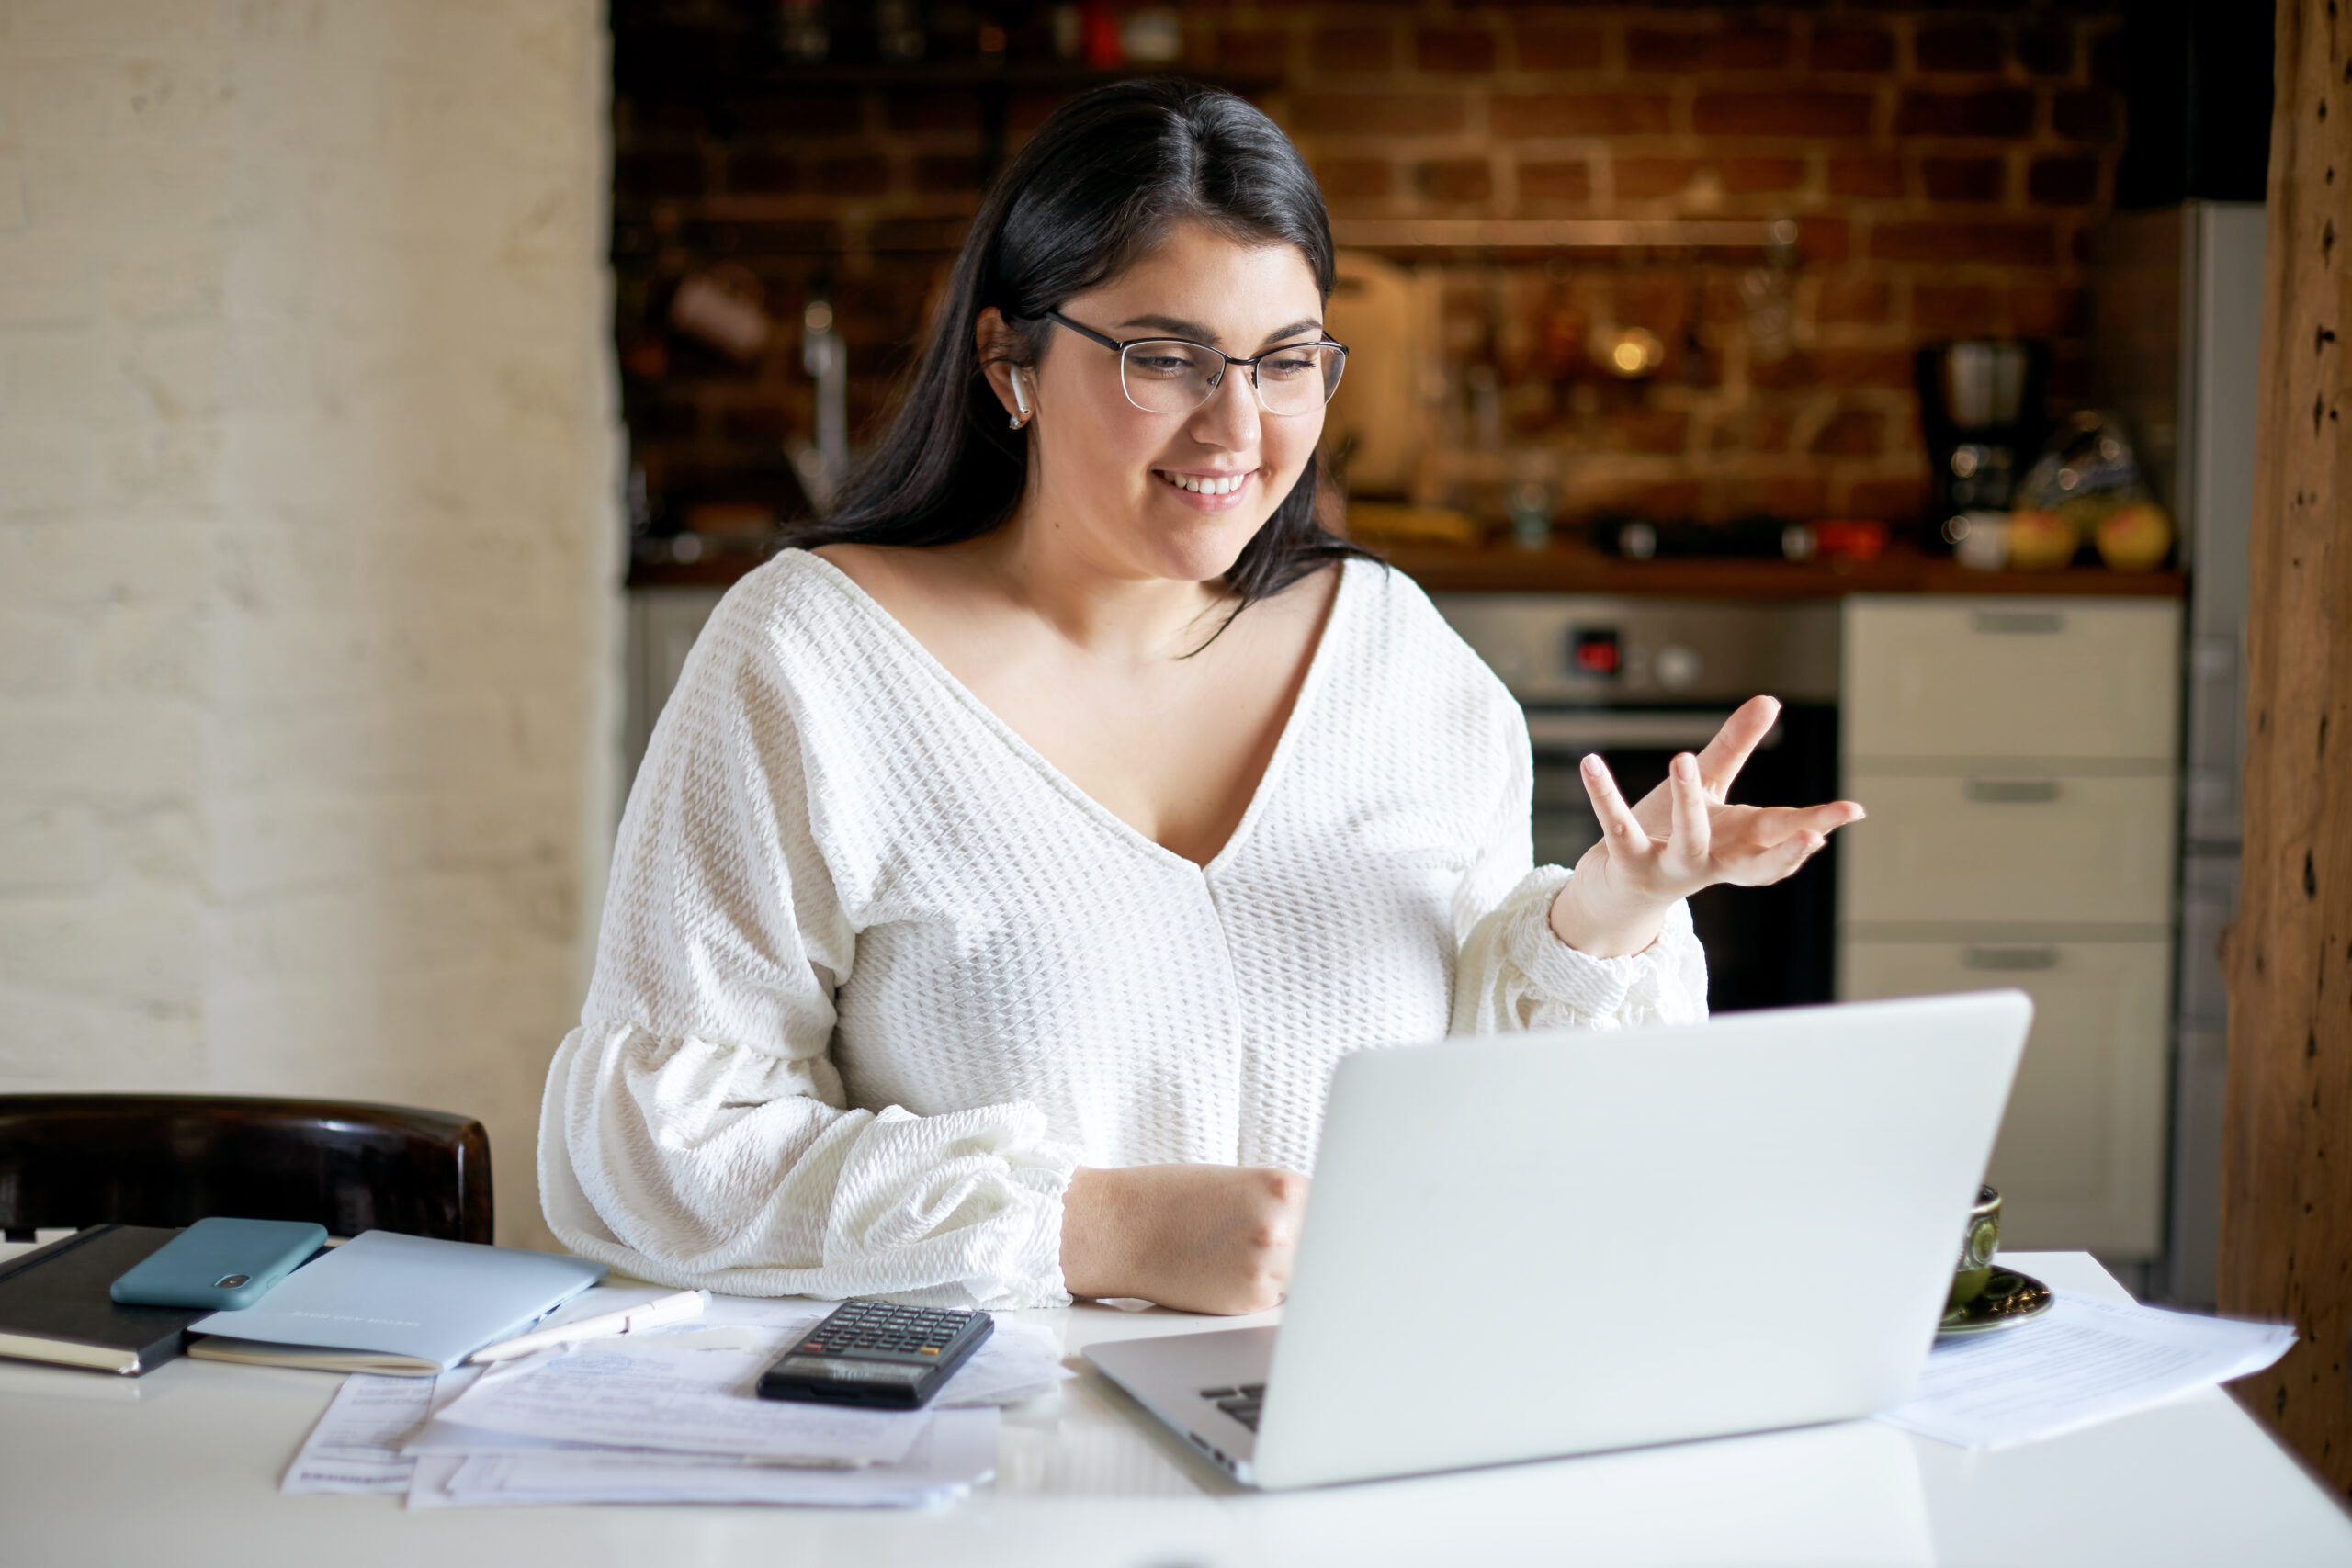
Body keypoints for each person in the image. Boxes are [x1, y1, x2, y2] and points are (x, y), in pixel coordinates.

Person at [539, 81, 1862, 1314]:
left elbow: (1475, 1132)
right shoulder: (812, 661)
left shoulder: (1394, 654)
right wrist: (1096, 1231)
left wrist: (1606, 922)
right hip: (973, 1453)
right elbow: (664, 1149)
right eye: (1166, 358)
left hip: (1349, 1422)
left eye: (1286, 361)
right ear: (1011, 362)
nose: (1237, 431)